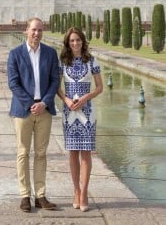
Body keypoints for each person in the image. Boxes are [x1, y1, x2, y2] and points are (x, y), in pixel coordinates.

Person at [7, 17, 60, 212]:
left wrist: (44, 102)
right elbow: (13, 83)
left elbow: (55, 81)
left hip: (44, 110)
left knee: (41, 154)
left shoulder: (50, 53)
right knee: (22, 153)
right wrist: (31, 104)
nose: (37, 33)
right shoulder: (15, 54)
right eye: (33, 30)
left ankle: (40, 195)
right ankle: (24, 195)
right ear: (26, 31)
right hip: (23, 110)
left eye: (40, 30)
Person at [57, 27, 103, 212]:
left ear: (83, 41)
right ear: (68, 43)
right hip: (69, 113)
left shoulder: (91, 60)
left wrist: (85, 98)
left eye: (78, 40)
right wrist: (67, 100)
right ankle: (75, 191)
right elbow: (58, 87)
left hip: (87, 112)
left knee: (86, 153)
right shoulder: (63, 61)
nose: (75, 43)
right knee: (73, 153)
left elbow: (100, 87)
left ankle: (84, 193)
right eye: (72, 41)